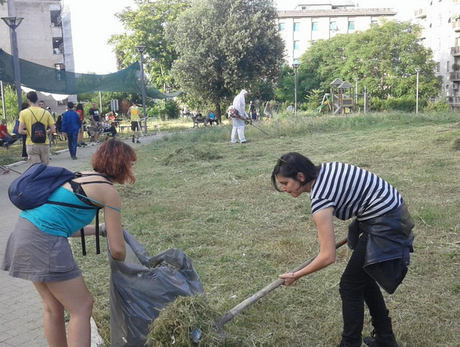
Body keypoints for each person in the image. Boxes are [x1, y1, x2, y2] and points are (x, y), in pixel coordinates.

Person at [1, 139, 137, 347]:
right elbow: (118, 250)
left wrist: (100, 230)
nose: (131, 170)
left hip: (23, 232)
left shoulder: (81, 177)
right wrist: (130, 270)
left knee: (53, 306)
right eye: (130, 164)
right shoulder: (108, 192)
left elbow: (65, 225)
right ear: (122, 165)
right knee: (82, 307)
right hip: (43, 242)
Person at [271, 153, 415, 347]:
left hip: (387, 224)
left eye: (285, 183)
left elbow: (328, 256)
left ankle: (350, 344)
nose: (283, 188)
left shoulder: (320, 198)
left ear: (301, 177)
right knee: (363, 278)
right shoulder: (327, 170)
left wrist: (297, 274)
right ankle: (385, 339)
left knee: (350, 285)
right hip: (390, 212)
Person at [18, 91, 56, 165]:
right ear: (37, 99)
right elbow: (53, 129)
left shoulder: (23, 113)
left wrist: (29, 132)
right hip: (44, 143)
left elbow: (20, 131)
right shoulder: (46, 113)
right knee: (44, 169)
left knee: (35, 170)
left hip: (31, 144)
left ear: (28, 100)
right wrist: (45, 132)